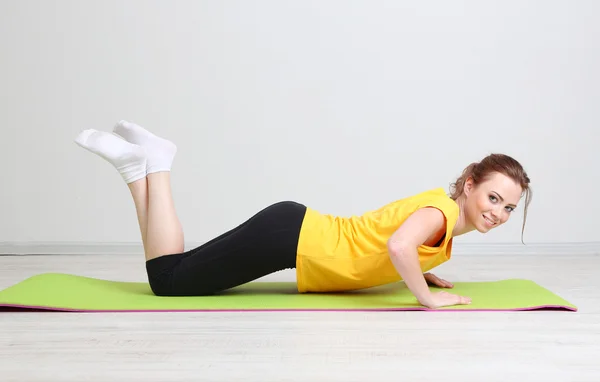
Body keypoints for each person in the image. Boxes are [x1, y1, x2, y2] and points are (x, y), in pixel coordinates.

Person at [74, 120, 532, 309]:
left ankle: (139, 170)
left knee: (172, 271)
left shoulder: (444, 218)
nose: (499, 212)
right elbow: (398, 244)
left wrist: (426, 268)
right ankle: (158, 164)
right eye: (493, 198)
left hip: (291, 228)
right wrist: (426, 299)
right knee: (167, 282)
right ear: (470, 185)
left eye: (508, 207)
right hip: (290, 239)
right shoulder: (440, 213)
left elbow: (397, 240)